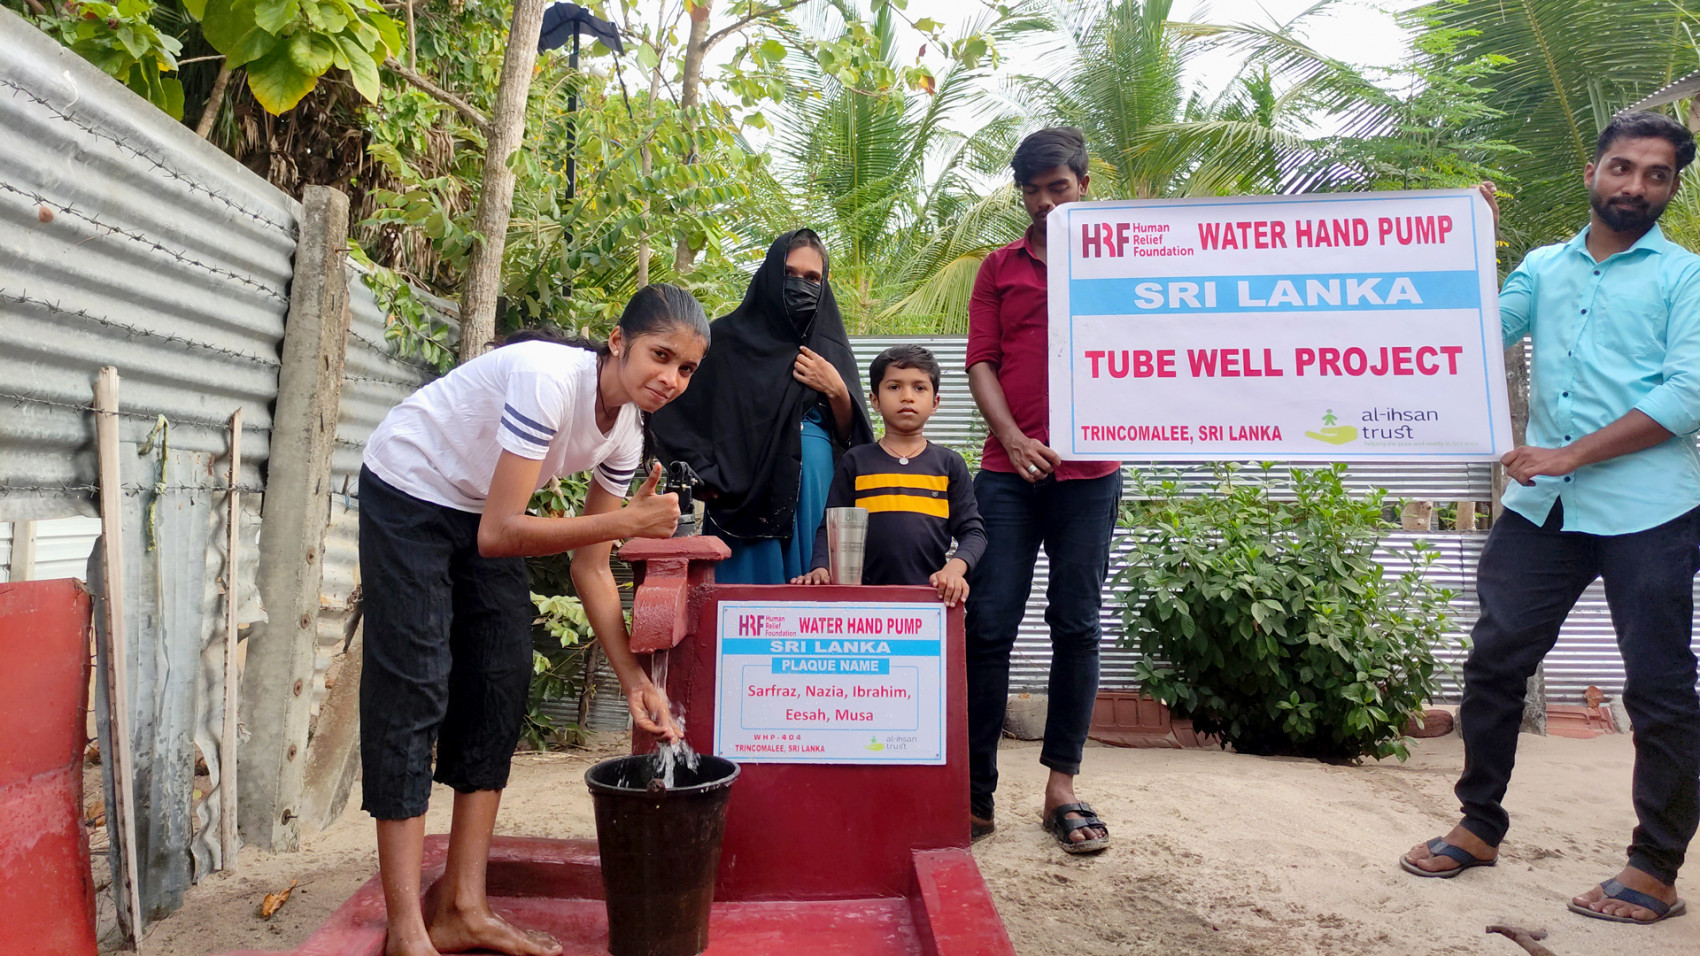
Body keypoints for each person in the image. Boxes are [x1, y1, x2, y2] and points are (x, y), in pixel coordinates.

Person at [1400, 112, 1700, 926]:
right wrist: (1469, 250)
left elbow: (1686, 394)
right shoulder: (1544, 267)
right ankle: (1479, 824)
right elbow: (1471, 336)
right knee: (1494, 664)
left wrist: (1571, 453)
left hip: (1651, 510)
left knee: (1662, 689)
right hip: (1545, 511)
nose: (1635, 185)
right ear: (1593, 172)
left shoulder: (1685, 278)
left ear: (1671, 187)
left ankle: (1654, 867)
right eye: (1622, 167)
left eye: (1656, 174)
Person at [357, 284, 708, 956]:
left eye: (686, 368)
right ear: (618, 342)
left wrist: (633, 677)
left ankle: (463, 904)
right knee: (417, 684)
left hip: (481, 507)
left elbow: (590, 567)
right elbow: (501, 533)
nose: (670, 378)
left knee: (500, 677)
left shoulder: (626, 432)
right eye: (660, 356)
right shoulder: (550, 382)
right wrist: (628, 521)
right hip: (409, 485)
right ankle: (407, 931)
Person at [964, 127, 1123, 854]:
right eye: (1031, 190)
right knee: (988, 625)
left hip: (1092, 476)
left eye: (1057, 187)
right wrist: (1016, 440)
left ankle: (1062, 788)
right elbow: (982, 363)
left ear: (1083, 185)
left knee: (1077, 626)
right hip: (1006, 473)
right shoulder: (998, 268)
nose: (1044, 202)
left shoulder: (1122, 262)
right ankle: (973, 792)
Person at [649, 229, 875, 583]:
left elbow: (850, 438)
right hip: (744, 496)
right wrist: (711, 475)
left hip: (812, 490)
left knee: (812, 608)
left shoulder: (829, 346)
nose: (801, 285)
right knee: (746, 613)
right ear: (771, 273)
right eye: (790, 274)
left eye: (812, 278)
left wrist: (837, 390)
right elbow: (673, 411)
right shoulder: (724, 340)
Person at [790, 344, 986, 602]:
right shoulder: (856, 461)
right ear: (875, 400)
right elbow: (830, 528)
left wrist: (954, 569)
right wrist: (820, 569)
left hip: (929, 599)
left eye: (919, 387)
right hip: (864, 603)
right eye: (894, 387)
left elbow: (973, 532)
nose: (907, 397)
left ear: (935, 402)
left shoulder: (949, 465)